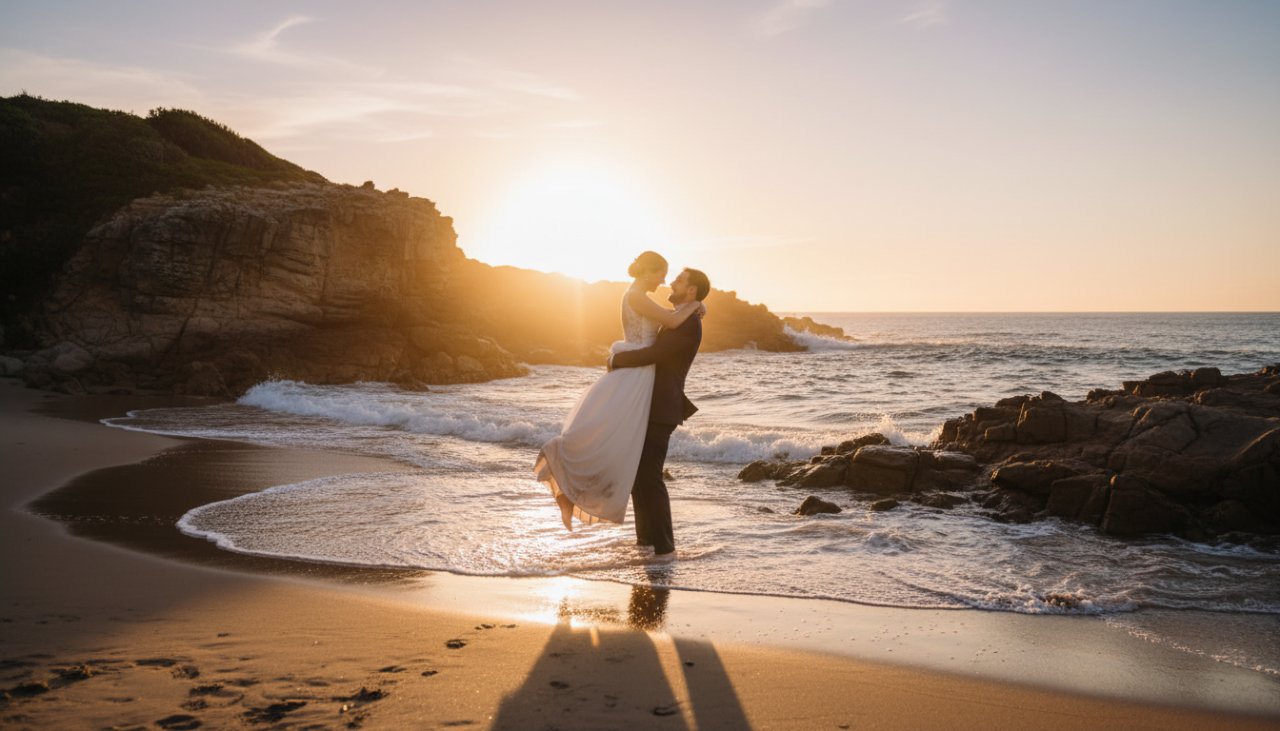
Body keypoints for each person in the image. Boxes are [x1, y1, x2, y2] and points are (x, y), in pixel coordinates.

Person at [535, 252, 704, 532]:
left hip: (644, 385)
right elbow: (668, 327)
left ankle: (653, 546)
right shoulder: (638, 296)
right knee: (611, 445)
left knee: (619, 452)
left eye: (673, 277)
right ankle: (569, 488)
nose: (665, 281)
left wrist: (696, 305)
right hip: (636, 379)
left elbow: (666, 334)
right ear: (648, 272)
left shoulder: (661, 306)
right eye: (663, 273)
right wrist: (696, 304)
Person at [609, 266, 709, 557]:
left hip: (662, 407)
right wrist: (698, 305)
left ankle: (665, 548)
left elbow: (656, 354)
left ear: (690, 290)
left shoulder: (689, 324)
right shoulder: (682, 318)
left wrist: (617, 360)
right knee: (639, 477)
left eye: (679, 280)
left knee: (650, 476)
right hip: (648, 404)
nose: (672, 283)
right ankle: (646, 544)